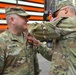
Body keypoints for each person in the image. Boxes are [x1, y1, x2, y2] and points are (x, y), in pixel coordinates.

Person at [0, 6, 53, 75]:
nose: (27, 20)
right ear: (12, 20)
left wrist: (37, 43)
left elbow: (35, 63)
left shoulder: (29, 37)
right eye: (23, 17)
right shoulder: (2, 41)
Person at [28, 1, 76, 75]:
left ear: (66, 10)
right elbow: (54, 56)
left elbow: (36, 30)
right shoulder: (67, 30)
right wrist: (38, 44)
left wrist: (24, 25)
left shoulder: (70, 22)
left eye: (57, 14)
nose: (56, 18)